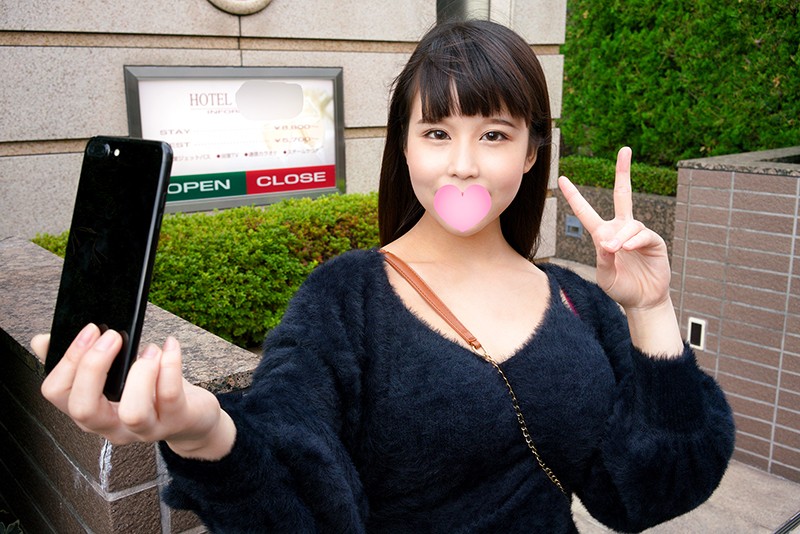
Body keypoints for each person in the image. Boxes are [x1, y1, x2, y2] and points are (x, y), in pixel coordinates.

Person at [33, 20, 735, 533]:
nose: (463, 164)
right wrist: (203, 431)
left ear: (530, 153)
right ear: (404, 146)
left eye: (494, 134)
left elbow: (643, 493)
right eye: (437, 133)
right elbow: (297, 476)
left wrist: (651, 309)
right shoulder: (346, 299)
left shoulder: (578, 302)